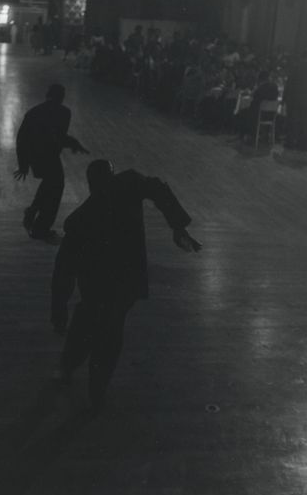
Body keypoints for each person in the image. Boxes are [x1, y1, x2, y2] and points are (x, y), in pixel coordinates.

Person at [51, 159, 201, 413]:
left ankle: (69, 369)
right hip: (125, 284)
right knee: (110, 336)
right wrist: (178, 227)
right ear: (113, 175)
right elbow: (157, 189)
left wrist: (59, 312)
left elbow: (63, 271)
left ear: (90, 185)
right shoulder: (128, 184)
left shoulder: (80, 220)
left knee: (86, 327)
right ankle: (95, 391)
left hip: (97, 288)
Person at [14, 84, 89, 244]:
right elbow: (60, 136)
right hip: (49, 156)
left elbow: (22, 140)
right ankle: (40, 228)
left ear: (47, 95)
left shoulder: (34, 112)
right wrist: (74, 144)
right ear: (62, 97)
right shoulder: (64, 112)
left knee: (50, 184)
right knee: (55, 189)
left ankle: (32, 214)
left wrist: (24, 164)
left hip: (36, 156)